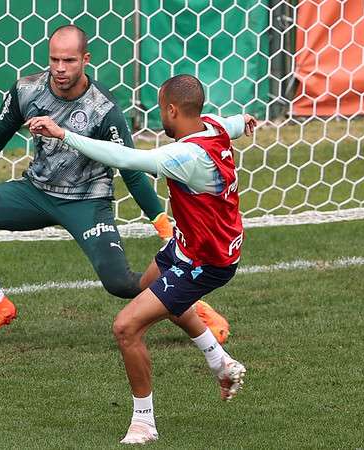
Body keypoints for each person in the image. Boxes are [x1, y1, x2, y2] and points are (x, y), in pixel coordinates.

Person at [0, 25, 180, 347]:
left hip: (87, 202)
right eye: (54, 59)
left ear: (86, 59)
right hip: (35, 192)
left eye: (69, 60)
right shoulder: (26, 90)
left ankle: (191, 303)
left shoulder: (103, 108)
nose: (60, 69)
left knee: (121, 284)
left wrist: (164, 229)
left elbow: (131, 169)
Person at [26, 73, 254, 444]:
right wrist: (242, 122)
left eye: (159, 108)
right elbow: (230, 124)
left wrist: (63, 133)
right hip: (190, 244)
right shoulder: (212, 126)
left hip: (204, 261)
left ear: (173, 109)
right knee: (152, 290)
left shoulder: (185, 155)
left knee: (126, 327)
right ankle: (221, 362)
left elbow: (125, 158)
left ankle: (144, 423)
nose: (157, 115)